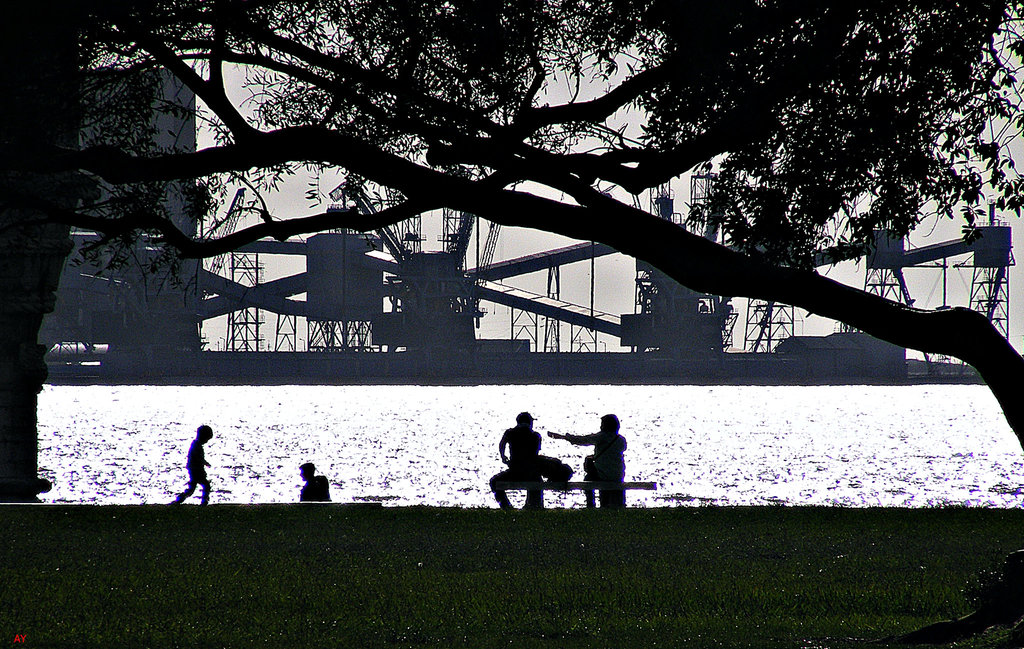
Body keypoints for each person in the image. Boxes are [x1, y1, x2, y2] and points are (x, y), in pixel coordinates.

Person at [548, 414, 627, 508]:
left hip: (604, 475)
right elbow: (612, 454)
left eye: (602, 424)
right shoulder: (621, 440)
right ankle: (614, 505)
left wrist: (567, 437)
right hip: (618, 475)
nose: (600, 426)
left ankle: (590, 504)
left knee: (588, 479)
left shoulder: (601, 437)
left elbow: (584, 440)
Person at [489, 412, 544, 509]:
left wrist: (503, 457)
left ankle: (506, 506)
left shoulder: (510, 433)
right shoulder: (536, 436)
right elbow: (535, 454)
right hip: (530, 473)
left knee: (494, 481)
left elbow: (502, 444)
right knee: (538, 481)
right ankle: (534, 505)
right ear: (530, 422)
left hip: (514, 472)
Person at [172, 425, 214, 505]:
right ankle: (204, 502)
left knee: (191, 489)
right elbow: (197, 458)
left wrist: (205, 463)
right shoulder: (197, 446)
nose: (206, 441)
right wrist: (202, 466)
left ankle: (179, 499)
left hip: (194, 469)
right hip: (196, 470)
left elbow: (197, 458)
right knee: (205, 486)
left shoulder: (196, 445)